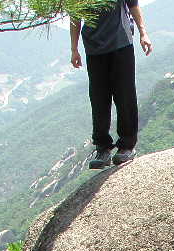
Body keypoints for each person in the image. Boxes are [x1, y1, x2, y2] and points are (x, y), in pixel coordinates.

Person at [70, 0, 152, 169]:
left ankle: (127, 146)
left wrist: (143, 33)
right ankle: (103, 148)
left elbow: (133, 5)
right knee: (99, 98)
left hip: (121, 42)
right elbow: (75, 16)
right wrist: (74, 49)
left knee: (125, 94)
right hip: (94, 48)